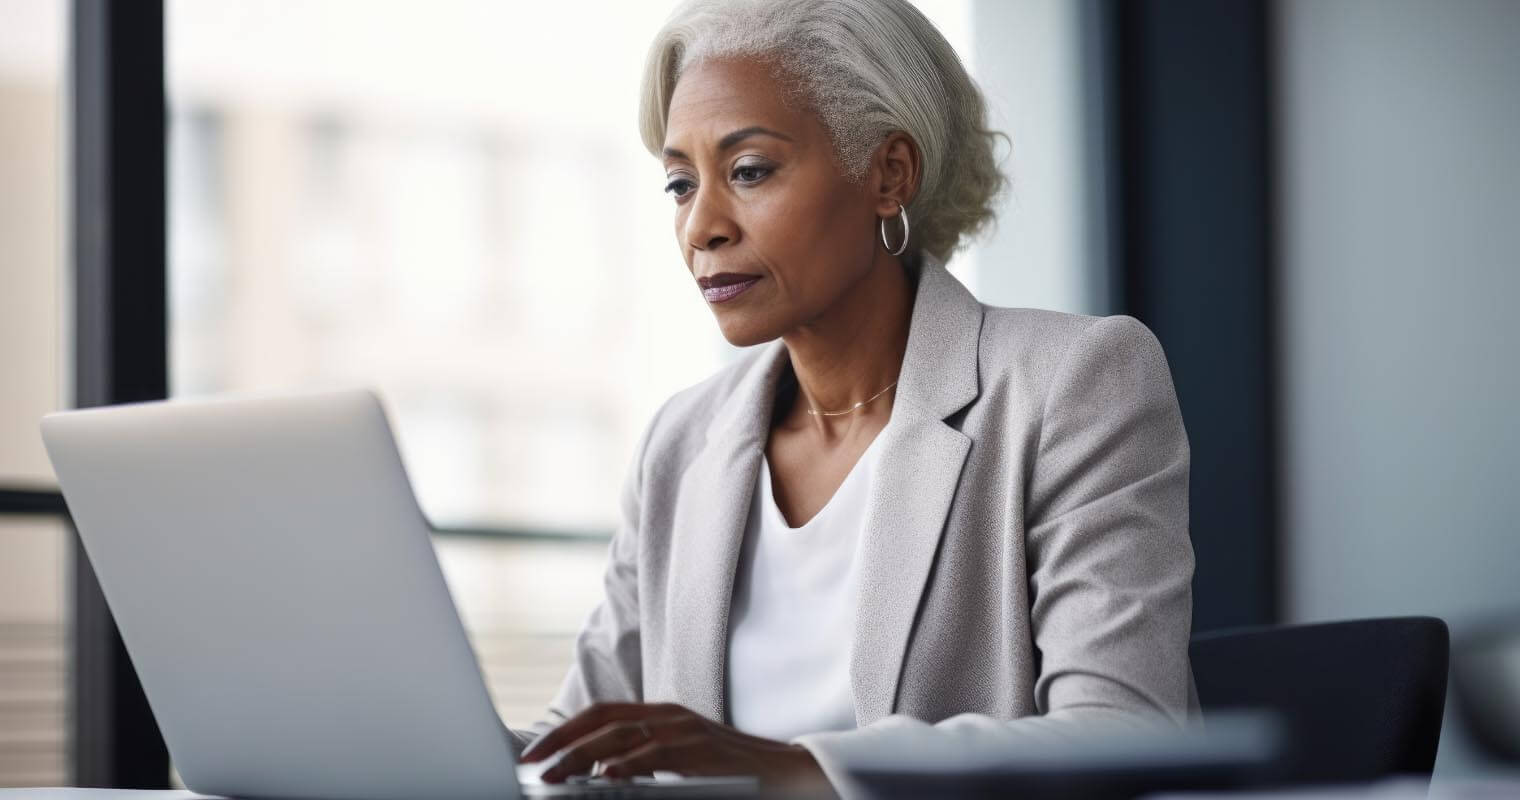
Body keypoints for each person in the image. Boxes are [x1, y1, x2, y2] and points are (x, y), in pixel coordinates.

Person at [516, 0, 1197, 795]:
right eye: (678, 183)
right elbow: (575, 743)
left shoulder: (1075, 382)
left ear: (888, 175)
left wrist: (792, 768)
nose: (701, 225)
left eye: (748, 171)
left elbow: (1122, 734)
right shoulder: (683, 441)